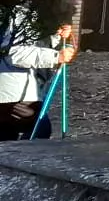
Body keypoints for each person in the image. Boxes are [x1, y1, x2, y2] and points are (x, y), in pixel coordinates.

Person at [1, 10, 75, 141]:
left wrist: (56, 36)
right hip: (11, 91)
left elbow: (30, 44)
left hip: (11, 88)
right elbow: (14, 52)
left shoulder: (20, 11)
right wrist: (56, 56)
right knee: (40, 127)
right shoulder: (19, 13)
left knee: (7, 134)